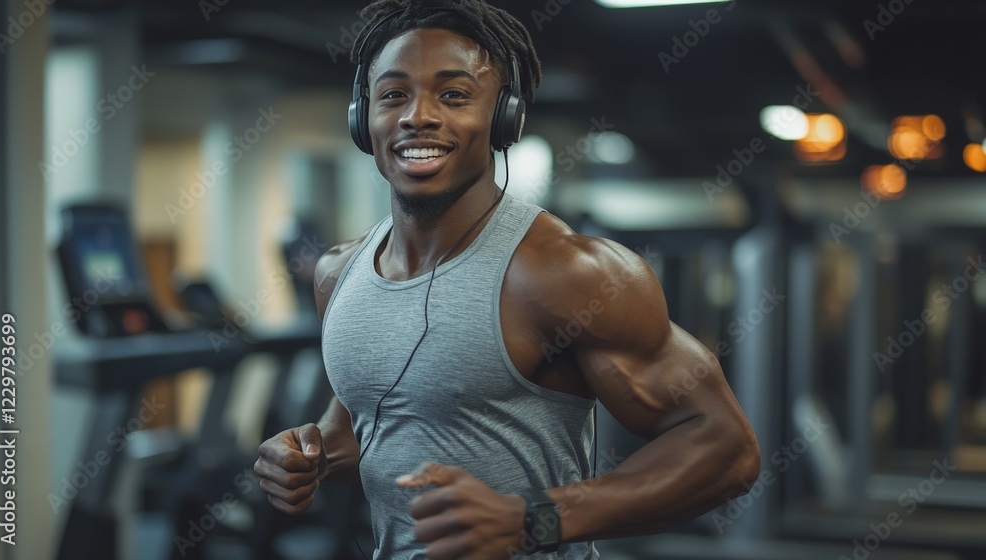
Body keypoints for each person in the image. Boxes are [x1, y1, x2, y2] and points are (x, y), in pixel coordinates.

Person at [253, 1, 760, 558]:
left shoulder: (567, 272)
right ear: (361, 117)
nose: (416, 115)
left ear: (504, 118)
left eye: (454, 95)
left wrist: (532, 520)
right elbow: (370, 425)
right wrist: (312, 454)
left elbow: (725, 448)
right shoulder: (337, 274)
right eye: (393, 94)